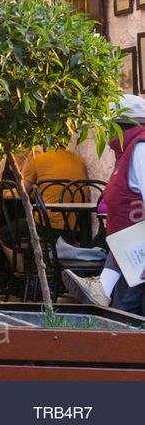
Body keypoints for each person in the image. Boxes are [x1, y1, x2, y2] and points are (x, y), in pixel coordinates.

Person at [64, 94, 145, 311]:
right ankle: (102, 287)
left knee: (128, 310)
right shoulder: (131, 150)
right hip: (128, 250)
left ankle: (102, 288)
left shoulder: (140, 149)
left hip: (137, 251)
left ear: (122, 126)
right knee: (125, 308)